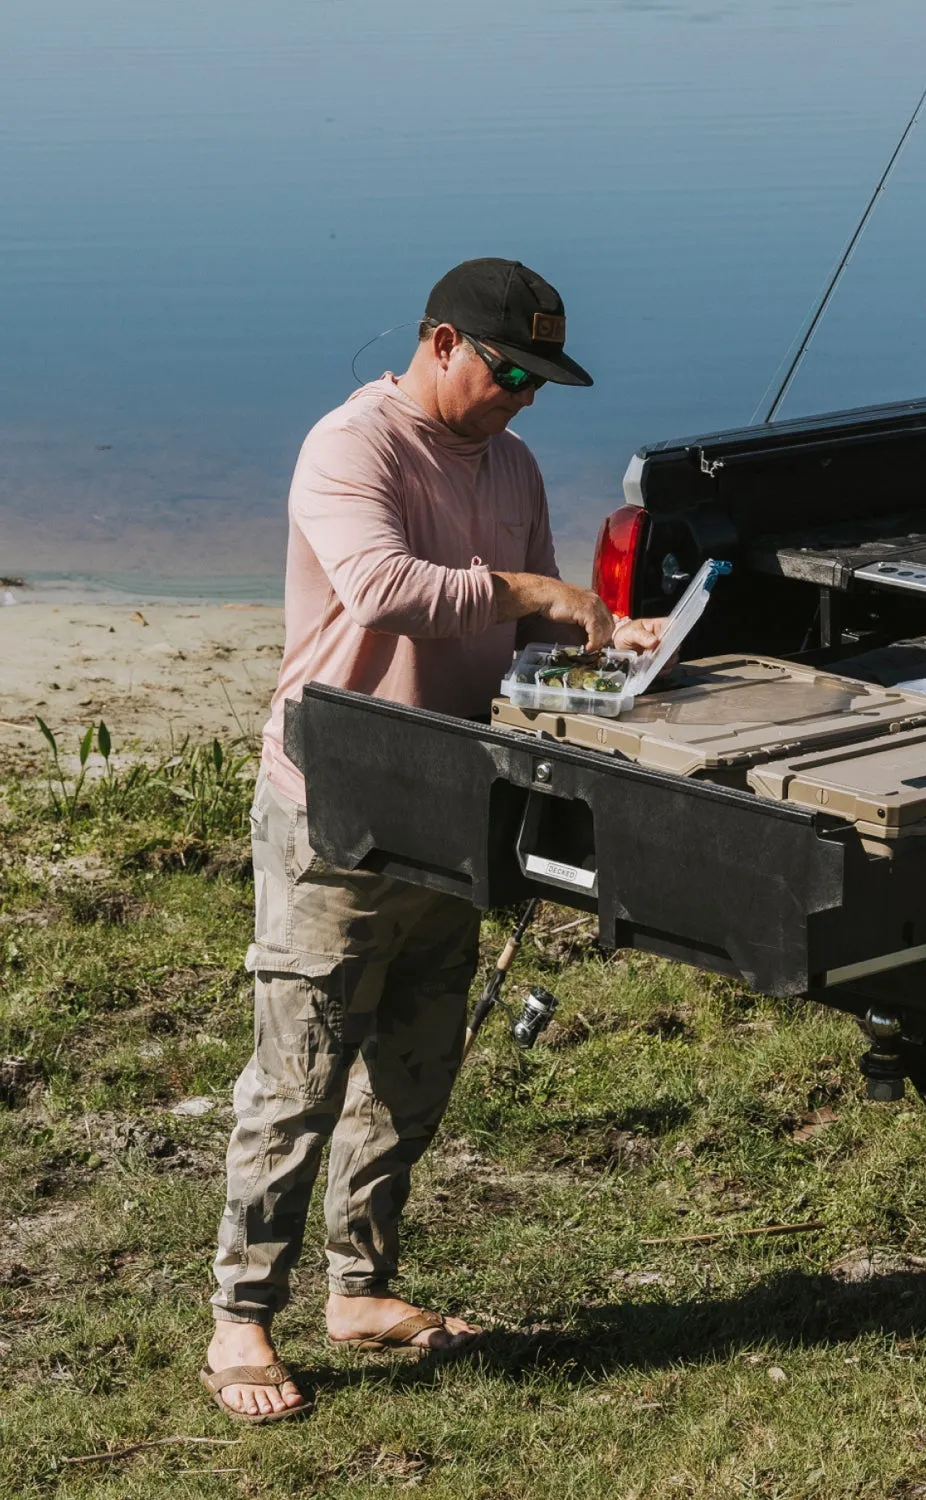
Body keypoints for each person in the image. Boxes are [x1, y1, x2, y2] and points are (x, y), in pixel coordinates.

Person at [200, 258, 665, 1422]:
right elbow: (386, 589)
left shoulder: (507, 461)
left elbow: (524, 626)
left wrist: (607, 643)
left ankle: (360, 1290)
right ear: (443, 340)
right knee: (298, 1073)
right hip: (338, 800)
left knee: (413, 1066)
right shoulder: (350, 445)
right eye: (509, 371)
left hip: (456, 800)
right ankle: (239, 1319)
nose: (521, 398)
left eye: (541, 381)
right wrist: (535, 591)